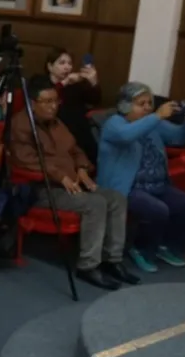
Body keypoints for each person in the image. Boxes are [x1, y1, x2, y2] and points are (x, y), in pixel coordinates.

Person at [10, 78, 137, 289]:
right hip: (41, 189)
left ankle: (112, 260)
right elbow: (26, 161)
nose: (53, 106)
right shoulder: (20, 126)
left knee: (116, 198)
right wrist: (60, 176)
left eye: (55, 101)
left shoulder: (57, 123)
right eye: (47, 102)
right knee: (94, 204)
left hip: (72, 185)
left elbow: (75, 150)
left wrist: (81, 167)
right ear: (32, 103)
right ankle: (88, 266)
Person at [97, 83, 185, 272]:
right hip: (127, 189)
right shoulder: (114, 123)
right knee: (158, 210)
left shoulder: (153, 123)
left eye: (149, 103)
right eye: (141, 103)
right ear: (125, 106)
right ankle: (141, 250)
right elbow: (126, 135)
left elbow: (180, 137)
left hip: (157, 185)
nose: (147, 107)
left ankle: (168, 247)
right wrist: (157, 116)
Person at [41, 48, 101, 162]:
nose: (67, 67)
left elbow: (95, 100)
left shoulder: (75, 85)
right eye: (62, 63)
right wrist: (64, 83)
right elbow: (48, 97)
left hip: (78, 129)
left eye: (69, 63)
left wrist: (93, 82)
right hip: (53, 128)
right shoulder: (40, 81)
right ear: (50, 66)